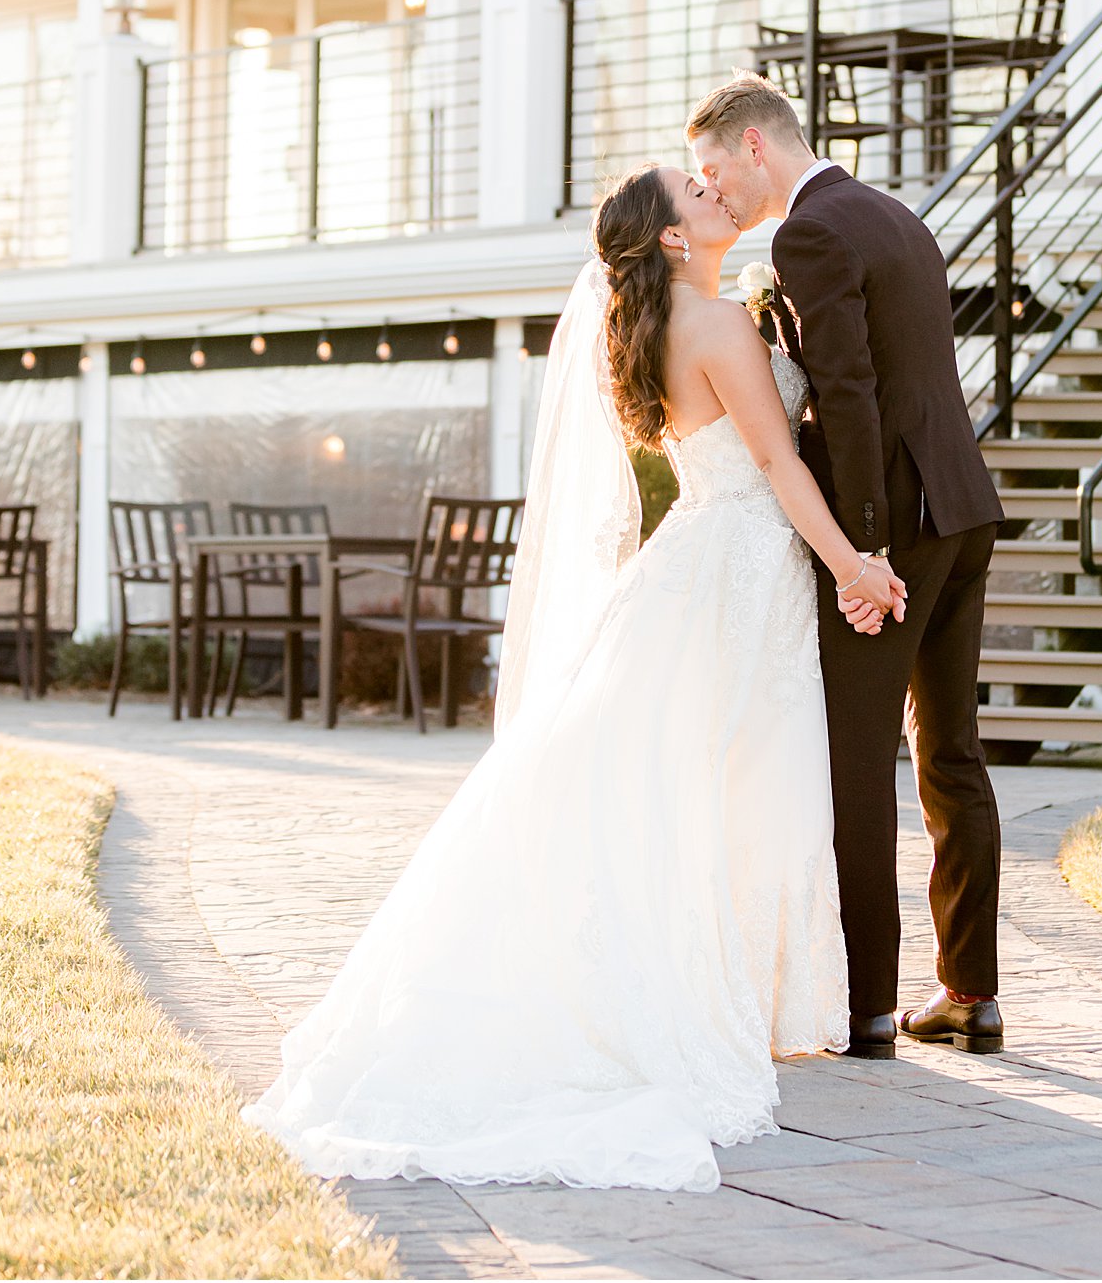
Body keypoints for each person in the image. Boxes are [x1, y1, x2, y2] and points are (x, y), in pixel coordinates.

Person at [244, 165, 906, 1194]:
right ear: (674, 240)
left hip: (712, 563)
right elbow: (779, 467)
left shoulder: (690, 324)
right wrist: (853, 565)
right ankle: (682, 1001)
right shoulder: (718, 326)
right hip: (736, 564)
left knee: (688, 785)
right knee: (725, 784)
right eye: (695, 192)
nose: (713, 192)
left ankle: (722, 987)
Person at [689, 73, 1005, 1059]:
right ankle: (968, 992)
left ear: (752, 147)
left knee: (854, 759)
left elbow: (851, 396)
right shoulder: (890, 213)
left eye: (712, 170)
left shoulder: (806, 233)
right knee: (949, 751)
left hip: (897, 525)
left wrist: (858, 550)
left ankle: (867, 1008)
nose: (715, 195)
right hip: (961, 503)